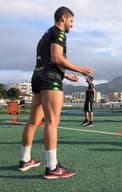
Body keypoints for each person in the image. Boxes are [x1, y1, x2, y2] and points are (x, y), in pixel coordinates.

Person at [17, 6, 94, 179]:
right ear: (63, 18)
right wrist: (81, 69)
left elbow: (47, 61)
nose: (72, 25)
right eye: (72, 21)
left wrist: (65, 75)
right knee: (52, 122)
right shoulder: (59, 33)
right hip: (49, 81)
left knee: (32, 122)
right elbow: (56, 58)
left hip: (38, 78)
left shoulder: (46, 35)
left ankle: (25, 160)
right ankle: (52, 167)